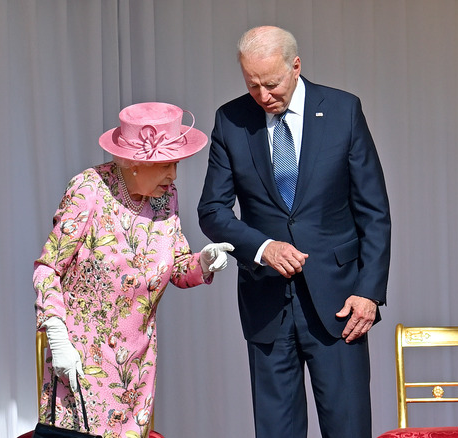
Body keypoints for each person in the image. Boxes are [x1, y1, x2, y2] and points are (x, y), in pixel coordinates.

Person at [197, 26, 391, 438]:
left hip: (341, 305)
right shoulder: (230, 120)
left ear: (296, 67)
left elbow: (374, 212)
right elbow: (212, 210)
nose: (263, 96)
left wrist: (369, 293)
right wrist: (262, 247)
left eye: (272, 84)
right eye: (253, 85)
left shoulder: (343, 110)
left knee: (348, 427)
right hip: (267, 305)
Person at [34, 102, 234, 437]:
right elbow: (48, 268)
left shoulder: (163, 196)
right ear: (134, 163)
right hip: (81, 364)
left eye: (176, 165)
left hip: (137, 370)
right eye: (165, 165)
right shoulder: (90, 189)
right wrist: (58, 340)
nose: (173, 175)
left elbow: (177, 266)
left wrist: (203, 262)